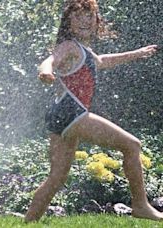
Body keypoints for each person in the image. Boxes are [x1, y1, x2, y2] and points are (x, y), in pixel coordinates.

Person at [25, 0, 160, 222]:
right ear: (68, 22)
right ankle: (141, 206)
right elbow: (49, 60)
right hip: (72, 113)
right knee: (132, 145)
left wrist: (137, 53)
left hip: (59, 115)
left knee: (57, 177)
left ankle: (28, 222)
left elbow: (102, 61)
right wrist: (46, 72)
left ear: (97, 20)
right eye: (78, 16)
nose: (85, 21)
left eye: (89, 16)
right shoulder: (68, 46)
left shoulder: (83, 50)